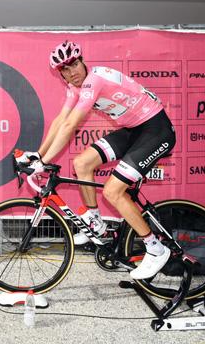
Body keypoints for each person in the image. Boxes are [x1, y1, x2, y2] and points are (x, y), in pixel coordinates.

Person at [18, 41, 176, 280]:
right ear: (60, 74)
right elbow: (62, 120)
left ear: (83, 61)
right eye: (65, 70)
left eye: (74, 64)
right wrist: (40, 155)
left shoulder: (95, 80)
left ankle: (156, 248)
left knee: (113, 192)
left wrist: (44, 161)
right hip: (134, 130)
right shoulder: (74, 88)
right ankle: (94, 220)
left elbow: (71, 125)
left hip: (156, 129)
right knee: (82, 164)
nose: (72, 72)